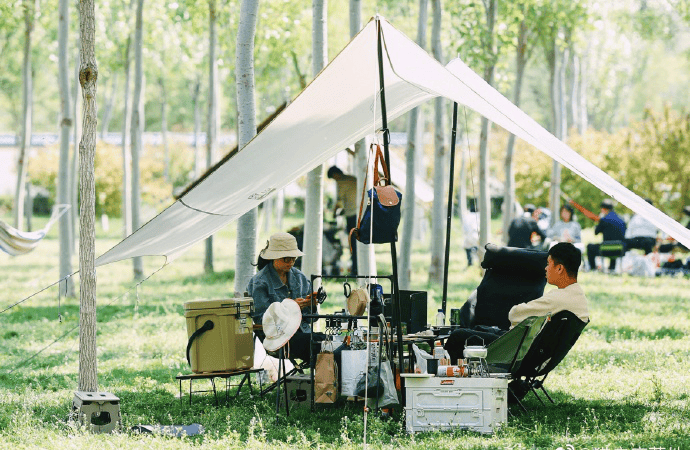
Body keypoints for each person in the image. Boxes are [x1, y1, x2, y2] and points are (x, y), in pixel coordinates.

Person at [444, 242, 590, 363]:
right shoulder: (577, 296)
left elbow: (515, 314)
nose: (545, 268)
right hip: (535, 354)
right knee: (479, 328)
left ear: (559, 268)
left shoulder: (557, 298)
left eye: (548, 264)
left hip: (518, 353)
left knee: (458, 336)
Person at [247, 232, 325, 363]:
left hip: (302, 333)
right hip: (277, 338)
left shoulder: (299, 277)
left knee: (330, 341)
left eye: (293, 259)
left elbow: (312, 319)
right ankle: (324, 380)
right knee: (320, 345)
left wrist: (310, 305)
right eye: (286, 259)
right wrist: (289, 308)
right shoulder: (259, 282)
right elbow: (262, 319)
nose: (291, 263)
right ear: (273, 258)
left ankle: (327, 380)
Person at [327, 166, 358, 275]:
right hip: (360, 213)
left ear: (335, 174)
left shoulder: (341, 182)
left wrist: (334, 213)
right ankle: (356, 266)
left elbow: (339, 202)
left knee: (353, 242)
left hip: (352, 215)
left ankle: (355, 268)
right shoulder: (352, 178)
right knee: (358, 242)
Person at [585, 199, 627, 271]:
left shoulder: (604, 219)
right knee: (614, 242)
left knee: (590, 247)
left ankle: (593, 268)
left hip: (606, 250)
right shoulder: (622, 219)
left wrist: (600, 220)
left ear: (603, 209)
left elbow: (596, 232)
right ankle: (612, 268)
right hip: (620, 250)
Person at [462, 200, 480, 266]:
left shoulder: (467, 216)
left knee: (467, 248)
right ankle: (478, 262)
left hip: (468, 235)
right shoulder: (479, 215)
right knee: (477, 248)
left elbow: (464, 227)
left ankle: (470, 262)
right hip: (476, 234)